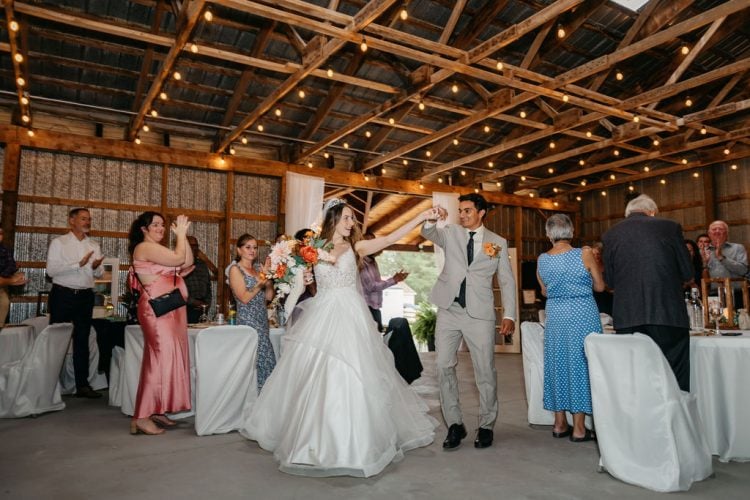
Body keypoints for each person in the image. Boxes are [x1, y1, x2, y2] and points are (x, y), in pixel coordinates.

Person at [240, 200, 436, 477]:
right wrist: (293, 298)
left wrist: (421, 216)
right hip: (321, 314)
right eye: (346, 218)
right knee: (316, 375)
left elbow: (389, 238)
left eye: (352, 219)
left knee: (352, 372)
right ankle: (313, 440)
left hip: (350, 315)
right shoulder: (312, 250)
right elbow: (299, 285)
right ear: (333, 219)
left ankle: (355, 443)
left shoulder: (357, 247)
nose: (351, 223)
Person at [421, 193, 516, 450]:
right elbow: (428, 232)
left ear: (481, 212)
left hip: (480, 315)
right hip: (449, 310)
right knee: (443, 366)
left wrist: (509, 314)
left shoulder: (496, 242)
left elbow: (506, 280)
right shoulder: (450, 232)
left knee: (485, 370)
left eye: (467, 211)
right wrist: (431, 219)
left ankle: (486, 425)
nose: (461, 215)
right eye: (460, 210)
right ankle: (454, 424)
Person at [602, 194, 693, 391]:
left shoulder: (610, 234)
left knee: (635, 378)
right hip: (667, 315)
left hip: (628, 318)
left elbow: (609, 281)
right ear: (652, 212)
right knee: (673, 378)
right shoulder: (670, 227)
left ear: (628, 213)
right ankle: (675, 411)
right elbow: (688, 272)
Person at [537, 214, 604, 442]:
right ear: (572, 232)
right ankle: (579, 429)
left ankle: (559, 423)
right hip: (582, 314)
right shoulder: (584, 254)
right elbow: (600, 286)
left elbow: (544, 291)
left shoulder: (542, 259)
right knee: (580, 365)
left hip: (556, 316)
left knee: (557, 364)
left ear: (548, 234)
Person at [128, 212, 193, 435]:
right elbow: (178, 259)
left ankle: (157, 409)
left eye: (162, 225)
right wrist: (180, 236)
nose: (161, 228)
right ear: (143, 229)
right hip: (157, 311)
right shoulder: (144, 247)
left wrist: (183, 236)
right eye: (155, 224)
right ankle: (141, 416)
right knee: (157, 360)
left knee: (167, 359)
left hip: (171, 310)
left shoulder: (159, 249)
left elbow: (187, 261)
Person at [46, 208, 104, 399]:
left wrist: (95, 267)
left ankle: (82, 385)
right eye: (83, 218)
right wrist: (78, 264)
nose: (87, 222)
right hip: (63, 295)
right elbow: (51, 271)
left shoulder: (93, 245)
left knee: (82, 340)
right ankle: (49, 386)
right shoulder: (59, 243)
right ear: (72, 221)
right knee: (56, 339)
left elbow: (99, 274)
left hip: (85, 296)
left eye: (89, 219)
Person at [228, 233, 276, 392]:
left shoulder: (257, 269)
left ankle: (265, 396)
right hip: (248, 321)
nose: (252, 250)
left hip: (262, 320)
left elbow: (268, 297)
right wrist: (259, 283)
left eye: (255, 247)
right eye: (248, 247)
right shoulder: (235, 269)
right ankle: (256, 397)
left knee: (266, 360)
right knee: (258, 361)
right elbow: (243, 298)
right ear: (239, 250)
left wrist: (268, 280)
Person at [359, 232, 408, 332]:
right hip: (366, 308)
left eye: (374, 241)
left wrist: (395, 279)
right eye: (369, 242)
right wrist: (394, 280)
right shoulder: (361, 263)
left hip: (374, 307)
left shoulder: (372, 262)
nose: (374, 244)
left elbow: (377, 283)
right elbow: (372, 286)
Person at [702, 220, 748, 307]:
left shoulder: (737, 248)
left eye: (720, 229)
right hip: (713, 294)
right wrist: (705, 263)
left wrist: (721, 258)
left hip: (736, 293)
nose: (717, 231)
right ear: (709, 234)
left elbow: (744, 270)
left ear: (727, 233)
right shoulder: (703, 251)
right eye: (714, 229)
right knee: (714, 316)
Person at [0, 227, 27, 326]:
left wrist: (12, 273)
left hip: (1, 287)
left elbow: (11, 265)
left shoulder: (5, 250)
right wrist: (11, 280)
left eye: (1, 233)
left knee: (4, 302)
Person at [184, 236, 212, 323]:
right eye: (191, 245)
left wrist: (207, 304)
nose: (194, 248)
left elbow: (208, 287)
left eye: (196, 246)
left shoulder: (202, 265)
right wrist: (194, 302)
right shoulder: (178, 265)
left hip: (202, 309)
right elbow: (177, 291)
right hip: (185, 308)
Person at [590, 241, 613, 316]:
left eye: (598, 254)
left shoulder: (607, 266)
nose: (596, 256)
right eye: (593, 254)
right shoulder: (589, 266)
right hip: (594, 297)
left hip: (607, 296)